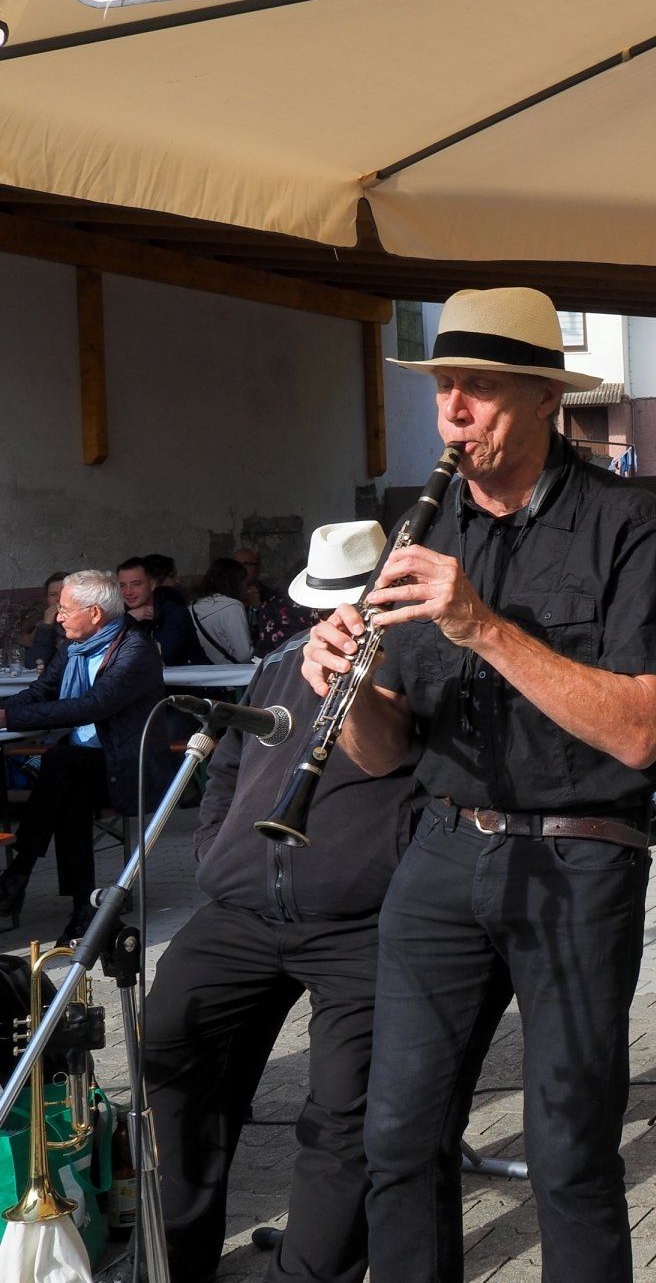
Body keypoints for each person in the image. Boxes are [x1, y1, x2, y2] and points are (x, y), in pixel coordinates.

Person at [301, 285, 656, 1282]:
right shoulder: (422, 531)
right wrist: (346, 691)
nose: (453, 410)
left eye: (477, 387)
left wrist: (482, 624)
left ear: (541, 398)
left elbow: (644, 734)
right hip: (439, 849)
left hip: (579, 854)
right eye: (444, 387)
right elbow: (386, 753)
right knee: (395, 1141)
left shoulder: (630, 526)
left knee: (568, 1154)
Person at [144, 522, 422, 1283]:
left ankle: (310, 1272)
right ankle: (177, 1259)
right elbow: (226, 768)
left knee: (341, 1113)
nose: (333, 621)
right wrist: (216, 851)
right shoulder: (275, 668)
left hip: (359, 922)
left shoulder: (426, 663)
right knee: (171, 1049)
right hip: (239, 912)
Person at [0, 570, 167, 938]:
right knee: (67, 783)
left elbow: (91, 706)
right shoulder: (74, 648)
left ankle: (19, 872)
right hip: (83, 766)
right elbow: (42, 689)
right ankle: (82, 908)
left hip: (125, 768)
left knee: (61, 765)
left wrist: (10, 715)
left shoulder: (134, 650)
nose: (58, 616)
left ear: (94, 613)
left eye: (65, 609)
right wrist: (7, 710)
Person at [119, 554, 205, 666]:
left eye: (136, 584)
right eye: (122, 585)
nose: (128, 592)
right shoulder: (123, 614)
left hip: (187, 681)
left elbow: (161, 659)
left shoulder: (174, 612)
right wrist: (129, 618)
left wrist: (128, 620)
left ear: (152, 584)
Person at [189, 557, 254, 665]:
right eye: (245, 583)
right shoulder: (233, 607)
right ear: (237, 583)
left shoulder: (192, 606)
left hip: (200, 672)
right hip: (229, 674)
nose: (246, 588)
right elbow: (244, 654)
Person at [23, 571, 66, 668]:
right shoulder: (40, 627)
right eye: (53, 594)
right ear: (47, 599)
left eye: (64, 592)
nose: (59, 599)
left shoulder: (83, 625)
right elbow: (34, 665)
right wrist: (46, 626)